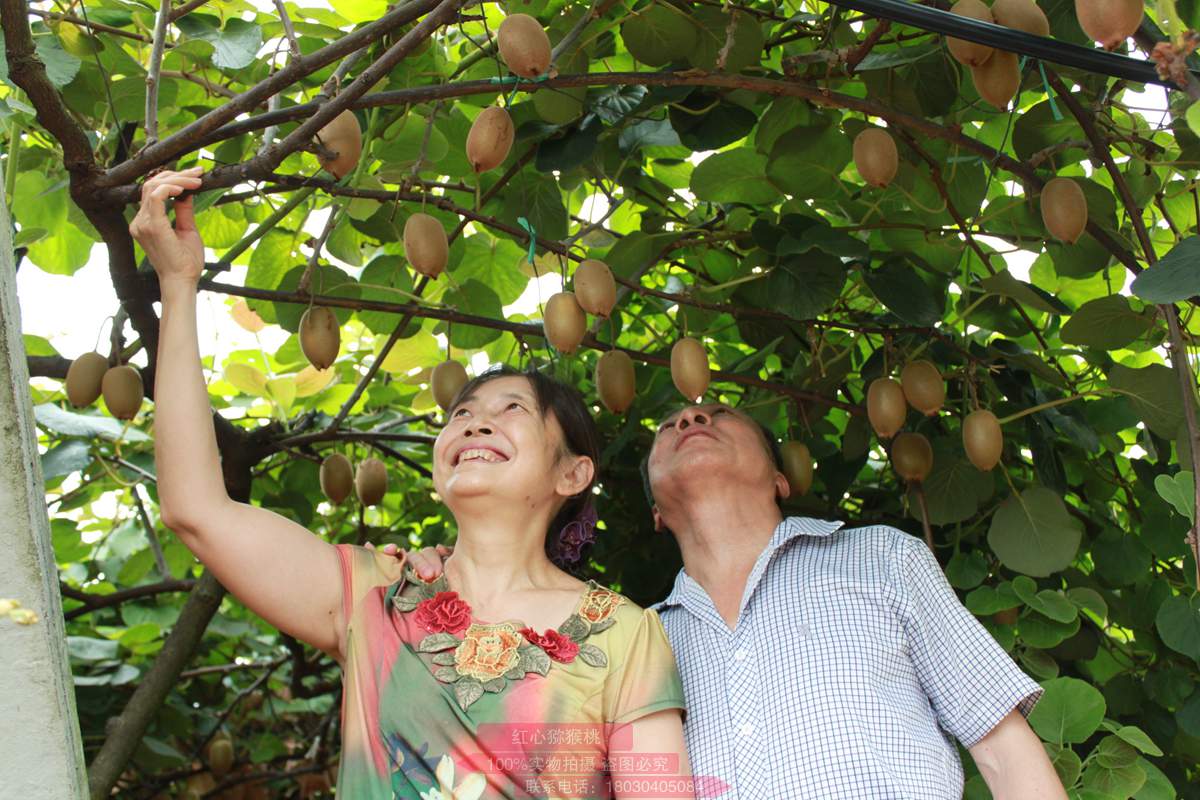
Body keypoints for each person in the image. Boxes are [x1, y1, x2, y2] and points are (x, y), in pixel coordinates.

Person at [130, 168, 692, 799]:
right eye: (461, 415)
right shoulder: (372, 598)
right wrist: (179, 290)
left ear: (572, 472)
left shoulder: (624, 633)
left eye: (511, 409)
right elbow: (195, 508)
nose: (475, 421)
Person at [404, 402, 1069, 799]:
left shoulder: (882, 559)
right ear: (656, 513)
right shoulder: (630, 641)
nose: (692, 417)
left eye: (719, 415)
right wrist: (450, 581)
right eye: (671, 425)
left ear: (781, 478)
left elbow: (1004, 749)